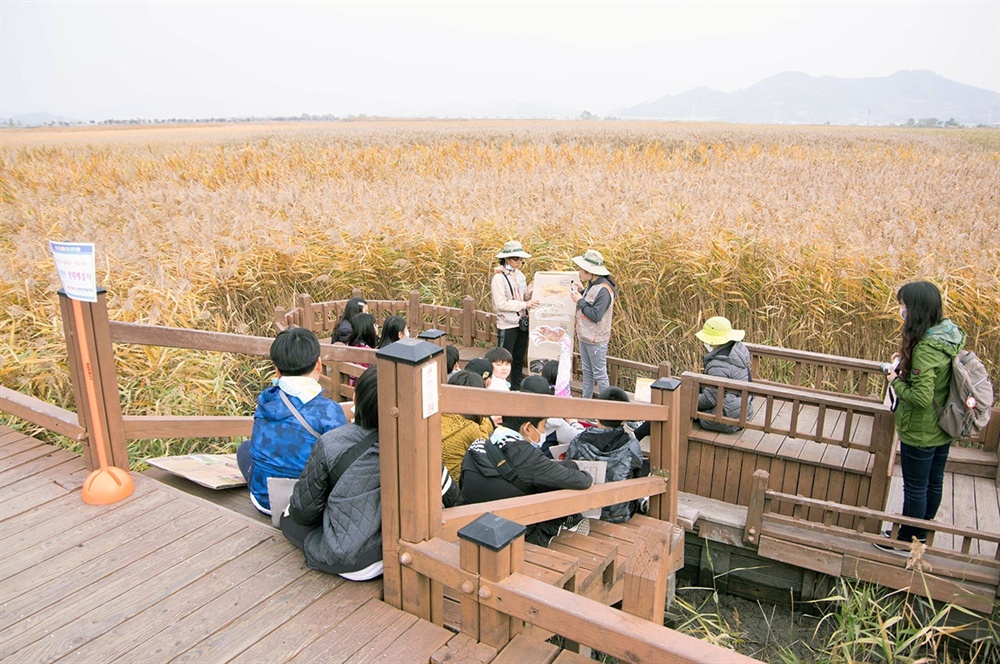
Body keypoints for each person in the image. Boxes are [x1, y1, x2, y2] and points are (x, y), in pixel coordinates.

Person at [280, 366, 457, 580]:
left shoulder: (332, 442)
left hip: (354, 560)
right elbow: (453, 498)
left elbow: (304, 512)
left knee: (288, 517)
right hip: (404, 550)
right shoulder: (420, 446)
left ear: (357, 399)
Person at [875, 281, 965, 554]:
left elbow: (920, 398)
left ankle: (906, 540)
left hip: (922, 430)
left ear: (915, 309)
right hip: (943, 426)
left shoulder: (926, 348)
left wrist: (894, 379)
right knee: (933, 481)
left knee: (915, 487)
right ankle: (921, 533)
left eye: (903, 306)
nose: (901, 311)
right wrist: (905, 362)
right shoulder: (948, 335)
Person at [459, 375, 593, 546]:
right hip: (512, 536)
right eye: (543, 426)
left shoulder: (477, 445)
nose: (543, 431)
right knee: (568, 469)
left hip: (469, 526)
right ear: (528, 428)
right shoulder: (528, 457)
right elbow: (582, 481)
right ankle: (564, 524)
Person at [237, 327, 347, 515]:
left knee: (244, 449)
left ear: (277, 372)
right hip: (305, 505)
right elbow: (340, 460)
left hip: (264, 500)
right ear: (319, 365)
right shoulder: (329, 410)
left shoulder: (266, 400)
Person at [568, 387, 646, 523]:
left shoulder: (578, 441)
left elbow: (568, 469)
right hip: (619, 515)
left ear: (597, 412)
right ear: (624, 417)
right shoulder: (631, 445)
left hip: (583, 512)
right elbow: (637, 473)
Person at [491, 240, 538, 391]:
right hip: (507, 324)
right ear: (506, 259)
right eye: (516, 259)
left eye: (521, 259)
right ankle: (499, 387)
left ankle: (516, 388)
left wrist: (528, 293)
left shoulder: (520, 275)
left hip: (521, 323)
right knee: (503, 360)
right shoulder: (498, 278)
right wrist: (525, 304)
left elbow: (521, 297)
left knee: (518, 359)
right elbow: (501, 304)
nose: (519, 262)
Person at [695, 316, 754, 433]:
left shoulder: (719, 364)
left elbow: (709, 400)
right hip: (743, 410)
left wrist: (684, 398)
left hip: (726, 417)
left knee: (677, 407)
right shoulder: (737, 351)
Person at [570, 249, 616, 399]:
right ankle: (586, 403)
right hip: (585, 336)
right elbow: (590, 301)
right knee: (587, 372)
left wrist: (580, 300)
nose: (579, 272)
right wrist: (582, 292)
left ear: (590, 271)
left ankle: (606, 409)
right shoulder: (592, 283)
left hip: (596, 340)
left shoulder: (604, 289)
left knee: (600, 374)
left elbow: (596, 315)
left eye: (581, 269)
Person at [441, 370, 494, 484]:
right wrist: (489, 422)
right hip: (456, 487)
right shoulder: (469, 428)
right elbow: (484, 444)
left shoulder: (441, 415)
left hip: (438, 483)